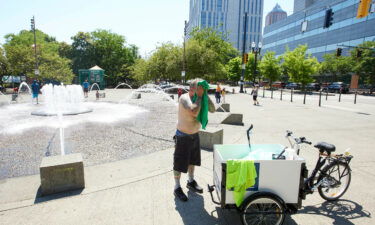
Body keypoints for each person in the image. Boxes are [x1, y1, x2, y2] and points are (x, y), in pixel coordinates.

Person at [173, 79, 215, 202]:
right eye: (199, 87)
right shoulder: (184, 98)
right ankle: (176, 187)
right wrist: (201, 96)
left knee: (192, 160)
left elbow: (212, 109)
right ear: (192, 89)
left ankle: (190, 181)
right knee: (179, 163)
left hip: (195, 134)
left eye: (202, 87)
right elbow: (194, 111)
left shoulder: (201, 97)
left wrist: (205, 95)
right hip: (182, 135)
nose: (201, 90)